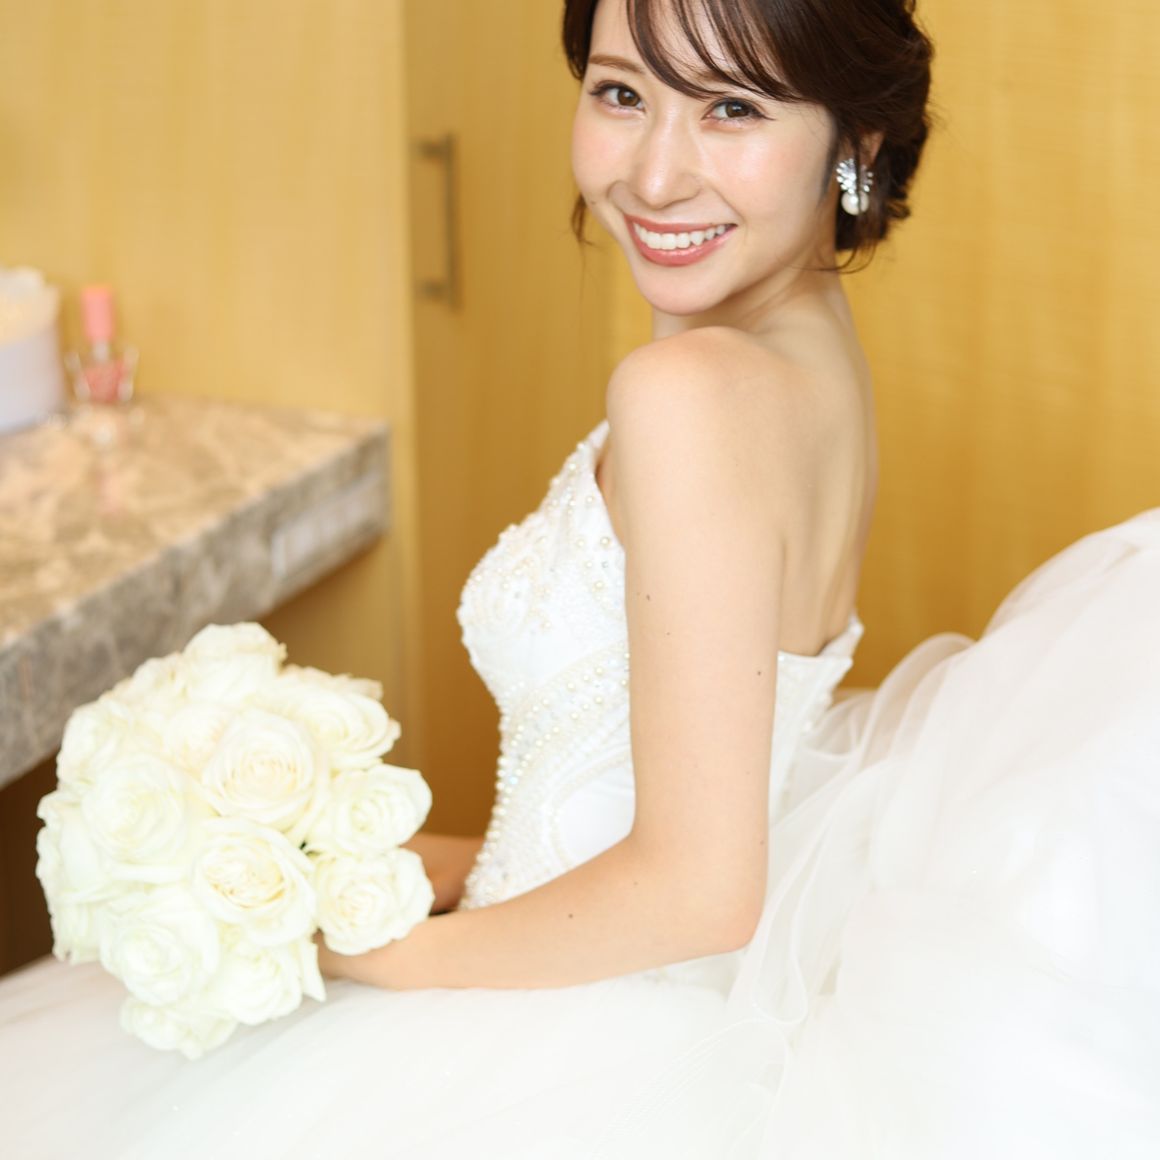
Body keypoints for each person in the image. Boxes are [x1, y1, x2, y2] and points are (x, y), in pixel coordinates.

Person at [1, 1, 1158, 1156]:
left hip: (587, 1024)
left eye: (731, 108)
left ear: (852, 143)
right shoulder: (807, 346)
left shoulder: (689, 396)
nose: (654, 174)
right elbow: (694, 782)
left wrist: (372, 952)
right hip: (631, 981)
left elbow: (698, 886)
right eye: (619, 93)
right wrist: (395, 865)